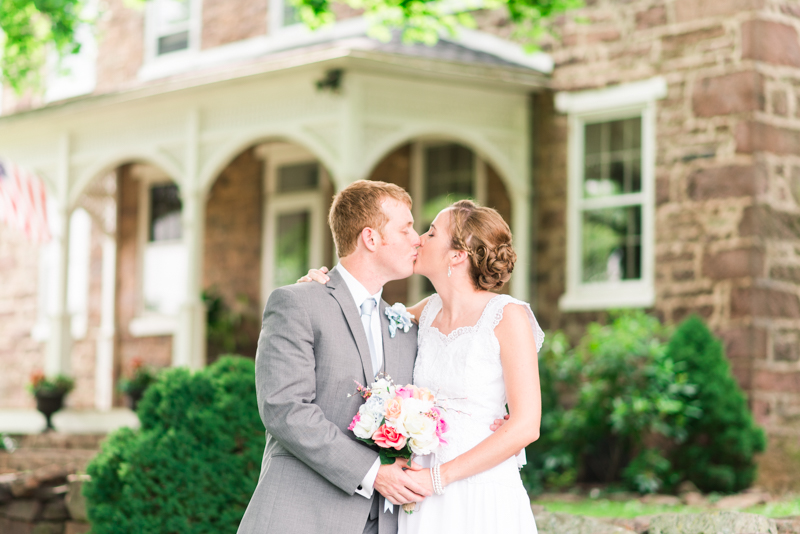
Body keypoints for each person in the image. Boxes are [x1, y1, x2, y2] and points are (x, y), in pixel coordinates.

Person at [301, 199, 544, 533]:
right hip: (419, 488)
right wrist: (323, 286)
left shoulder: (506, 316)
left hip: (477, 486)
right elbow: (361, 319)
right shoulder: (423, 313)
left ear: (457, 255)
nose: (418, 239)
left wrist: (437, 478)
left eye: (430, 232)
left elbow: (527, 426)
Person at [238, 180, 428, 534]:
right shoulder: (298, 303)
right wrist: (373, 474)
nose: (417, 238)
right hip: (301, 517)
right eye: (406, 229)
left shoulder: (406, 327)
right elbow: (285, 408)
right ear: (370, 238)